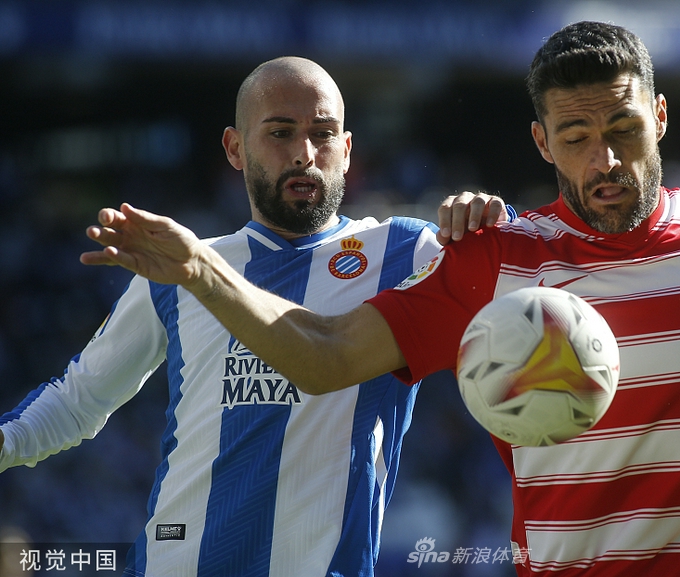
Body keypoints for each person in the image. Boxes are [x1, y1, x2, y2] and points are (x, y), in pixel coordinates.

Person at [78, 22, 680, 577]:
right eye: (576, 137)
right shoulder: (493, 260)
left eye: (622, 130)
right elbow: (324, 354)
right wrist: (200, 271)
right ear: (542, 141)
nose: (604, 161)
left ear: (661, 115)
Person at [0, 56, 509, 576]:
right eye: (281, 132)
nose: (304, 153)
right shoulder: (177, 263)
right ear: (235, 149)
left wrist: (490, 215)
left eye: (323, 133)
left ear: (348, 150)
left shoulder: (407, 252)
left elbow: (528, 278)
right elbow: (78, 401)